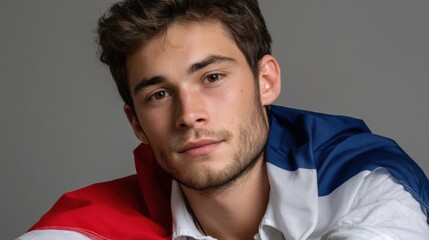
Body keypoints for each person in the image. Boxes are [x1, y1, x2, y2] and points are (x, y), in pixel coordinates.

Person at [17, 0, 429, 239]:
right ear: (137, 124)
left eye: (212, 78)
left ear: (265, 81)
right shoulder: (93, 222)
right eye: (159, 94)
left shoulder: (363, 182)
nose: (189, 115)